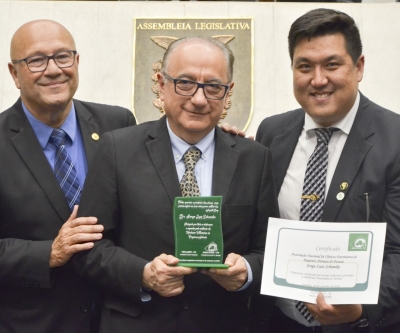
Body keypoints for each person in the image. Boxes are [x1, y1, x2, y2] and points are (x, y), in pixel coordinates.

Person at [74, 36, 278, 333]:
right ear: (161, 83)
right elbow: (88, 248)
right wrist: (143, 274)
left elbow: (270, 249)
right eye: (184, 83)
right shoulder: (118, 149)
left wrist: (246, 271)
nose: (198, 98)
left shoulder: (254, 159)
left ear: (228, 92)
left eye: (213, 87)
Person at [252, 8, 400, 333]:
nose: (318, 80)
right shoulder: (271, 133)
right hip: (278, 322)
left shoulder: (395, 140)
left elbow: (397, 251)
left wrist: (361, 308)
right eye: (305, 66)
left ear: (358, 67)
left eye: (332, 65)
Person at [0, 20, 135, 333]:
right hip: (33, 322)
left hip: (115, 319)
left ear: (76, 62)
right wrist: (49, 252)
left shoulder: (118, 122)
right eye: (36, 60)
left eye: (63, 56)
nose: (53, 69)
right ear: (14, 73)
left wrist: (217, 138)